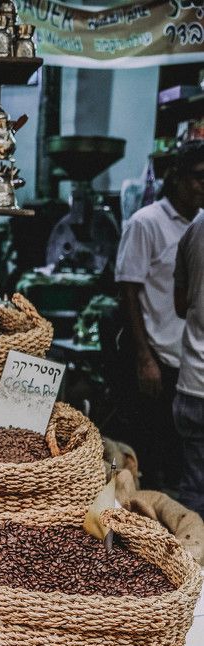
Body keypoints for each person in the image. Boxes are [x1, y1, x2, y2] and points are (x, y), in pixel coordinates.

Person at [115, 141, 204, 490]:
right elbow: (127, 290)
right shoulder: (146, 222)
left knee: (180, 463)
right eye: (198, 177)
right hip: (157, 359)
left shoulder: (198, 225)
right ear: (176, 178)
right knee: (150, 460)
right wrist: (143, 357)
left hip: (188, 363)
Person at [173, 209, 204, 516]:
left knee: (194, 491)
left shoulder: (195, 227)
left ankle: (190, 562)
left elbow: (180, 306)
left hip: (194, 385)